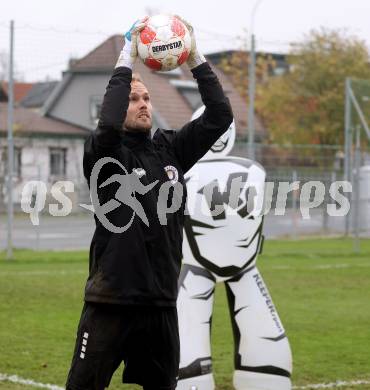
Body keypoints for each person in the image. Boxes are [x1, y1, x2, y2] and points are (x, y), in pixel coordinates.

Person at [65, 16, 233, 390]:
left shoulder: (169, 149)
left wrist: (194, 57)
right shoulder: (105, 155)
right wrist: (127, 57)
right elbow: (107, 126)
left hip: (160, 304)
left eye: (146, 98)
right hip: (111, 303)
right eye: (132, 99)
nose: (143, 104)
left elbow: (220, 115)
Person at [176, 107, 292, 390]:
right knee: (266, 350)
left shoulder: (183, 172)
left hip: (201, 268)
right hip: (241, 267)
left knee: (185, 346)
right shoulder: (253, 171)